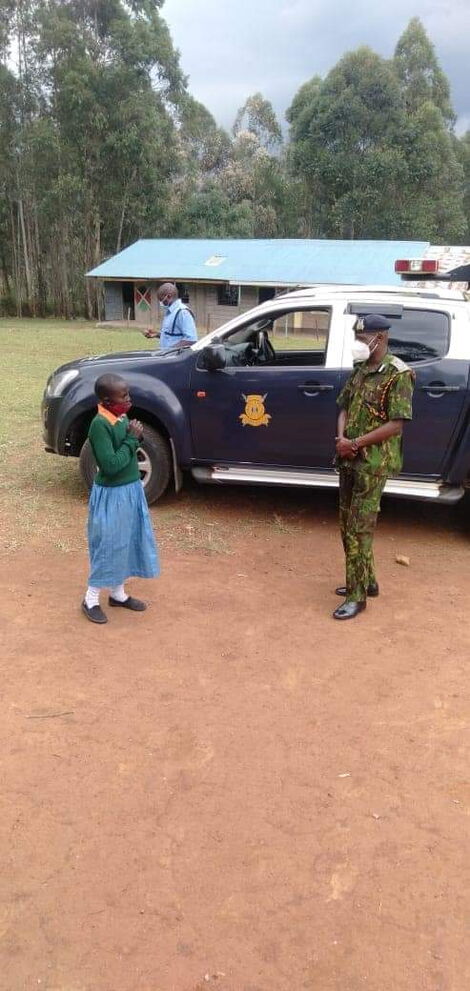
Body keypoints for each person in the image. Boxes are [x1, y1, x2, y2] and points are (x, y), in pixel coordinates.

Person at [333, 314, 414, 621]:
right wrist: (342, 439)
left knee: (359, 529)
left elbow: (397, 424)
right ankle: (368, 581)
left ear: (379, 338)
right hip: (348, 458)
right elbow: (344, 406)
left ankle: (357, 597)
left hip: (373, 463)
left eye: (362, 338)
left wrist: (354, 443)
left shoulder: (398, 374)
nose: (358, 343)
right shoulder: (360, 369)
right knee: (346, 524)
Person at [82, 374, 159, 625]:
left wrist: (137, 436)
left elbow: (129, 448)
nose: (129, 400)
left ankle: (117, 594)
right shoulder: (99, 425)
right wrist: (131, 439)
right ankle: (90, 598)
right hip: (112, 494)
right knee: (108, 545)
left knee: (126, 541)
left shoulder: (121, 417)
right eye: (123, 396)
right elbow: (111, 465)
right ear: (107, 401)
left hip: (130, 490)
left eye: (128, 394)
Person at [143, 283, 197, 351]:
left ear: (168, 296)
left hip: (174, 356)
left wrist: (169, 351)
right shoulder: (170, 312)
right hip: (166, 355)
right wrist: (157, 334)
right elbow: (172, 336)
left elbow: (191, 340)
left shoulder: (182, 312)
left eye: (161, 300)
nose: (161, 303)